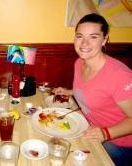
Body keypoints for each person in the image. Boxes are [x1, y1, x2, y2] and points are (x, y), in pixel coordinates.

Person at [53, 13, 132, 166]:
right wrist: (70, 92)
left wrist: (105, 133)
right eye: (79, 36)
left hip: (120, 143)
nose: (84, 43)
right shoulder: (79, 62)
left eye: (93, 37)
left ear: (105, 40)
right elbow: (94, 91)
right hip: (88, 127)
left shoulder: (120, 76)